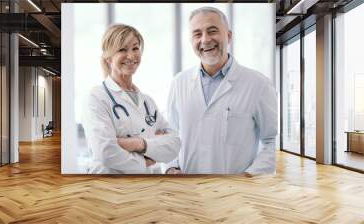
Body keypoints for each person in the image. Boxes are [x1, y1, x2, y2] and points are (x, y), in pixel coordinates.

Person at [165, 7, 277, 176]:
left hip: (235, 193)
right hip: (187, 188)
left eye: (212, 31)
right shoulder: (179, 82)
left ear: (229, 36)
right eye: (197, 34)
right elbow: (171, 133)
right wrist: (172, 167)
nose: (205, 40)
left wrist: (249, 176)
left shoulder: (258, 84)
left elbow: (269, 141)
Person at [83, 24, 181, 174]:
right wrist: (145, 159)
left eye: (135, 48)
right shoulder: (97, 97)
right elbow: (105, 151)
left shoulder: (147, 102)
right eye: (122, 49)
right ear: (108, 58)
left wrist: (138, 144)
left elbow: (175, 144)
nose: (131, 56)